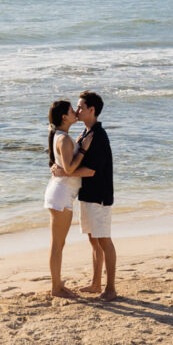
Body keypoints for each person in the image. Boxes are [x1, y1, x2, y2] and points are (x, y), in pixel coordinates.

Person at [52, 91, 115, 299]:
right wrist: (58, 166)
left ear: (92, 110)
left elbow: (91, 171)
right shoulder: (85, 134)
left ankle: (110, 288)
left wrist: (64, 171)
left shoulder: (97, 136)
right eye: (76, 108)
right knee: (94, 241)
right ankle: (96, 284)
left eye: (80, 107)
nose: (77, 111)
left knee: (104, 240)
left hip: (99, 196)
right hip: (87, 195)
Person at [43, 98, 94, 298]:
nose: (76, 112)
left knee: (59, 244)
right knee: (57, 245)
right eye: (72, 110)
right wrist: (83, 148)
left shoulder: (61, 136)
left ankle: (58, 284)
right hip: (61, 195)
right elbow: (70, 168)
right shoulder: (63, 139)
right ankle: (56, 288)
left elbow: (65, 168)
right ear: (64, 116)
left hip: (61, 193)